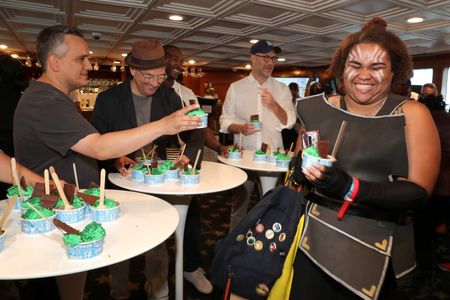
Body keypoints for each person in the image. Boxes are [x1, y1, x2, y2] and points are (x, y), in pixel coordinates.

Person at [13, 25, 201, 300]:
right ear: (54, 61)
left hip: (67, 210)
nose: (89, 65)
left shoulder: (53, 97)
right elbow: (98, 146)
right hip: (53, 217)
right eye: (81, 58)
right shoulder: (44, 101)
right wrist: (163, 125)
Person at [289, 17, 440, 299]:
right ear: (341, 69)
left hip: (375, 250)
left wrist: (350, 187)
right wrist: (298, 170)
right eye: (355, 65)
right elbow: (300, 161)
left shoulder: (411, 114)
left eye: (377, 66)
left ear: (394, 71)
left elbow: (419, 192)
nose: (364, 75)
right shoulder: (314, 109)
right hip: (311, 241)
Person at [91, 39, 205, 299]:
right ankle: (118, 293)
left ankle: (159, 291)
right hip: (121, 183)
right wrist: (116, 158)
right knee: (118, 241)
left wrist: (187, 156)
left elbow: (197, 131)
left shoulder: (169, 96)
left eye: (161, 76)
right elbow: (95, 141)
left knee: (157, 241)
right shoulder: (108, 100)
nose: (155, 83)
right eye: (148, 77)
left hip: (156, 182)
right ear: (132, 70)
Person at [219, 40, 296, 229]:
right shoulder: (236, 88)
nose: (271, 62)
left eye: (273, 59)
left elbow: (289, 121)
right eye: (266, 58)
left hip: (271, 159)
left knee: (271, 205)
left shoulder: (281, 89)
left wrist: (274, 105)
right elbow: (224, 121)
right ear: (253, 59)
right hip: (243, 157)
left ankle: (265, 249)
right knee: (239, 207)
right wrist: (240, 128)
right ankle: (232, 247)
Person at [416, 94, 450, 280]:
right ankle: (444, 259)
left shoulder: (424, 124)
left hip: (430, 185)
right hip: (448, 187)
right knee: (444, 222)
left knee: (425, 229)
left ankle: (427, 269)